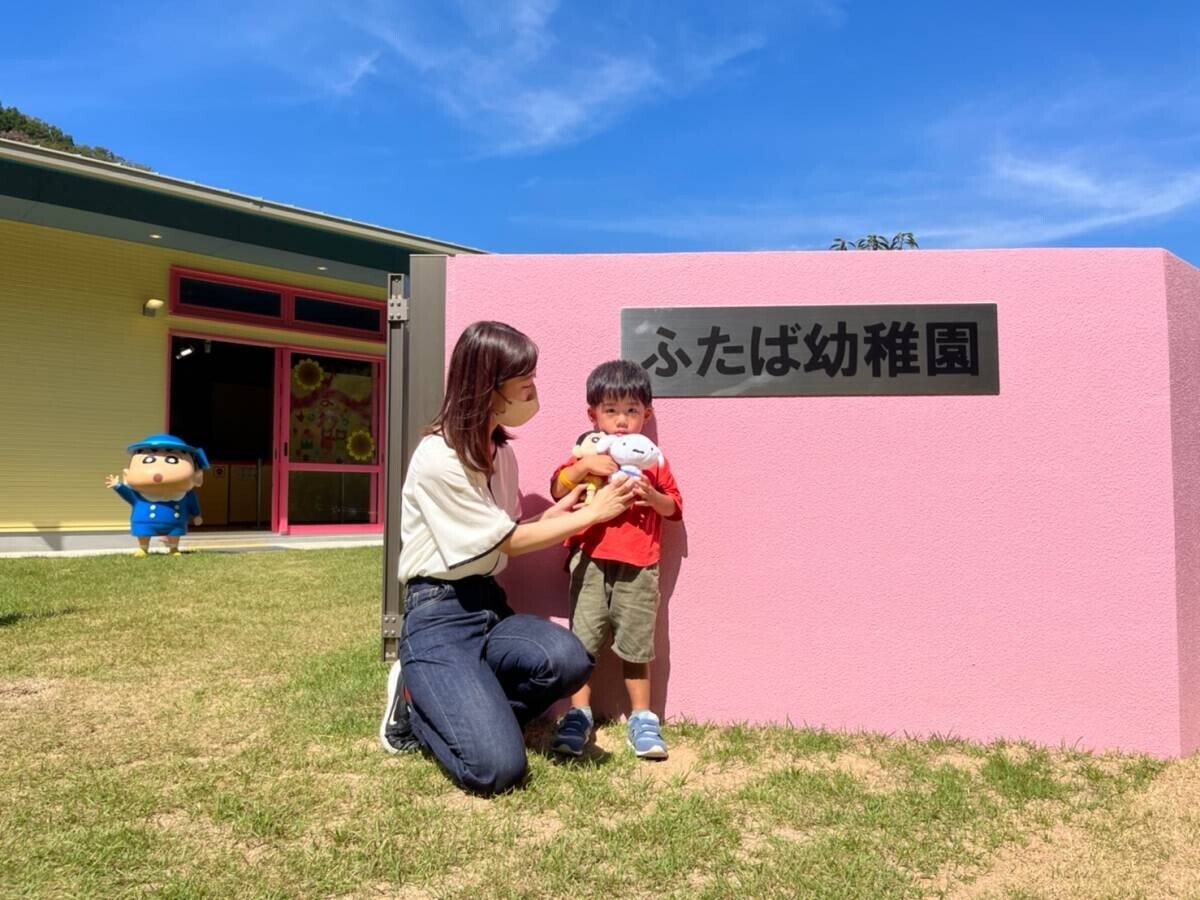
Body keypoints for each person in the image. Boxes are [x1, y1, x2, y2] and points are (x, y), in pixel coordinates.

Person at [379, 321, 637, 795]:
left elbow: (506, 531)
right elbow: (505, 544)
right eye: (525, 383)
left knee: (569, 660)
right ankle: (416, 709)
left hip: (488, 606)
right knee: (497, 770)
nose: (534, 392)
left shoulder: (501, 454)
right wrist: (591, 515)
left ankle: (462, 706)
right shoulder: (439, 457)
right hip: (436, 613)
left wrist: (557, 512)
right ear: (487, 388)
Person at [547, 360, 683, 759]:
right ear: (593, 415)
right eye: (611, 411)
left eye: (631, 411)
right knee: (581, 643)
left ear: (647, 413)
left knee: (637, 644)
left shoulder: (652, 460)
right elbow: (557, 490)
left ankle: (643, 718)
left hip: (640, 563)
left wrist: (652, 497)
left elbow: (675, 508)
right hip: (589, 559)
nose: (621, 421)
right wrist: (585, 467)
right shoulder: (589, 454)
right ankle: (578, 715)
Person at [105, 434, 207, 557]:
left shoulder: (184, 494)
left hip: (175, 522)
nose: (158, 472)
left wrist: (196, 514)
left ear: (197, 477)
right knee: (143, 532)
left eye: (172, 459)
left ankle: (173, 548)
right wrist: (118, 486)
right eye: (148, 460)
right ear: (126, 475)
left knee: (175, 533)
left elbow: (192, 503)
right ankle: (143, 548)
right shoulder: (139, 495)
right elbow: (129, 495)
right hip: (144, 521)